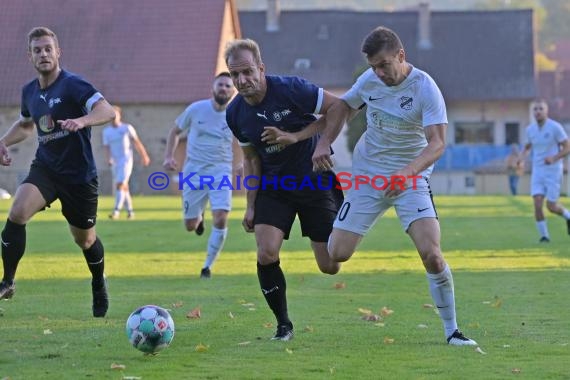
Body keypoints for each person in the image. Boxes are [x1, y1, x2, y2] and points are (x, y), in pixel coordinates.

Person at [262, 26, 477, 346]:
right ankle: (326, 211)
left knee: (431, 253)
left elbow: (437, 144)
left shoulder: (425, 89)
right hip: (368, 177)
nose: (378, 72)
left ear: (401, 56)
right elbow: (343, 108)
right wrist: (322, 142)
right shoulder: (370, 81)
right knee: (336, 254)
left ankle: (452, 331)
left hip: (411, 179)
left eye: (383, 65)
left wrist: (406, 173)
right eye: (373, 66)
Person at [224, 39, 343, 341]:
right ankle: (283, 325)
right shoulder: (235, 113)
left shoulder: (292, 89)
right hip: (275, 187)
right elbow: (251, 159)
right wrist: (251, 205)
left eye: (248, 72)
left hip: (313, 180)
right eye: (235, 74)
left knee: (330, 265)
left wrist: (300, 137)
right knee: (266, 252)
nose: (242, 80)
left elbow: (338, 107)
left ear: (261, 68)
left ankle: (348, 221)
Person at [0, 27, 116, 317]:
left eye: (48, 49)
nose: (43, 54)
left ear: (58, 52)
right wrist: (1, 141)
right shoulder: (29, 91)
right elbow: (27, 125)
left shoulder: (74, 85)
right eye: (37, 50)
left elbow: (108, 111)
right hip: (46, 169)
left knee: (85, 240)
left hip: (79, 177)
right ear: (30, 56)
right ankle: (8, 282)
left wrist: (83, 120)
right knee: (17, 213)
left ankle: (99, 282)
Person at [163, 72, 236, 279]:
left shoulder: (236, 114)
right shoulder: (196, 109)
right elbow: (174, 132)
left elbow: (245, 140)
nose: (223, 88)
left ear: (233, 91)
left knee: (221, 217)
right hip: (194, 172)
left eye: (228, 86)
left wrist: (243, 162)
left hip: (221, 171)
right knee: (190, 226)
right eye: (220, 85)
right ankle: (199, 216)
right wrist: (168, 156)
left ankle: (207, 266)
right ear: (213, 88)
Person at [521, 99, 570, 243]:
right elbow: (527, 147)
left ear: (546, 111)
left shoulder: (555, 127)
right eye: (535, 109)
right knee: (537, 203)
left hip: (553, 171)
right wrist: (520, 158)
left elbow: (567, 147)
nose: (538, 112)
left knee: (551, 206)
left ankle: (568, 215)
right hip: (538, 171)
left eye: (540, 109)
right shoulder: (530, 129)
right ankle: (544, 237)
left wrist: (554, 158)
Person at [103, 105, 151, 220]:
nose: (114, 117)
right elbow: (106, 147)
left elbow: (137, 142)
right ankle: (130, 212)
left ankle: (116, 211)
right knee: (124, 187)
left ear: (120, 116)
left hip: (126, 160)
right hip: (115, 162)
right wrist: (108, 158)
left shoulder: (127, 128)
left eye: (116, 114)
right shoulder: (106, 132)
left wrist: (144, 156)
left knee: (119, 184)